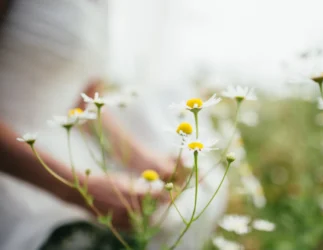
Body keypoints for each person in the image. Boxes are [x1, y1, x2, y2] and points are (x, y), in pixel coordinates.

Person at [0, 1, 228, 249]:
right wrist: (76, 189)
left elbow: (84, 104)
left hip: (68, 157)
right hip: (18, 171)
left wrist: (146, 162)